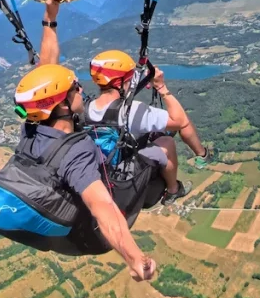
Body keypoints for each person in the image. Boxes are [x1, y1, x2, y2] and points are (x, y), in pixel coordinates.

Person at [0, 0, 157, 280]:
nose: (81, 89)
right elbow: (102, 206)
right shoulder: (75, 153)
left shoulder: (32, 126)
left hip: (61, 233)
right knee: (150, 154)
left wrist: (49, 17)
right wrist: (134, 258)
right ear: (62, 104)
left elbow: (47, 68)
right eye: (75, 87)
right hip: (87, 237)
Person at [85, 49, 210, 205]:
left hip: (100, 172)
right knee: (167, 142)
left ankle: (201, 156)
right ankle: (173, 190)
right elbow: (180, 121)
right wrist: (161, 87)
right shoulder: (133, 111)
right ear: (120, 81)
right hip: (121, 176)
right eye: (130, 76)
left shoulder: (84, 108)